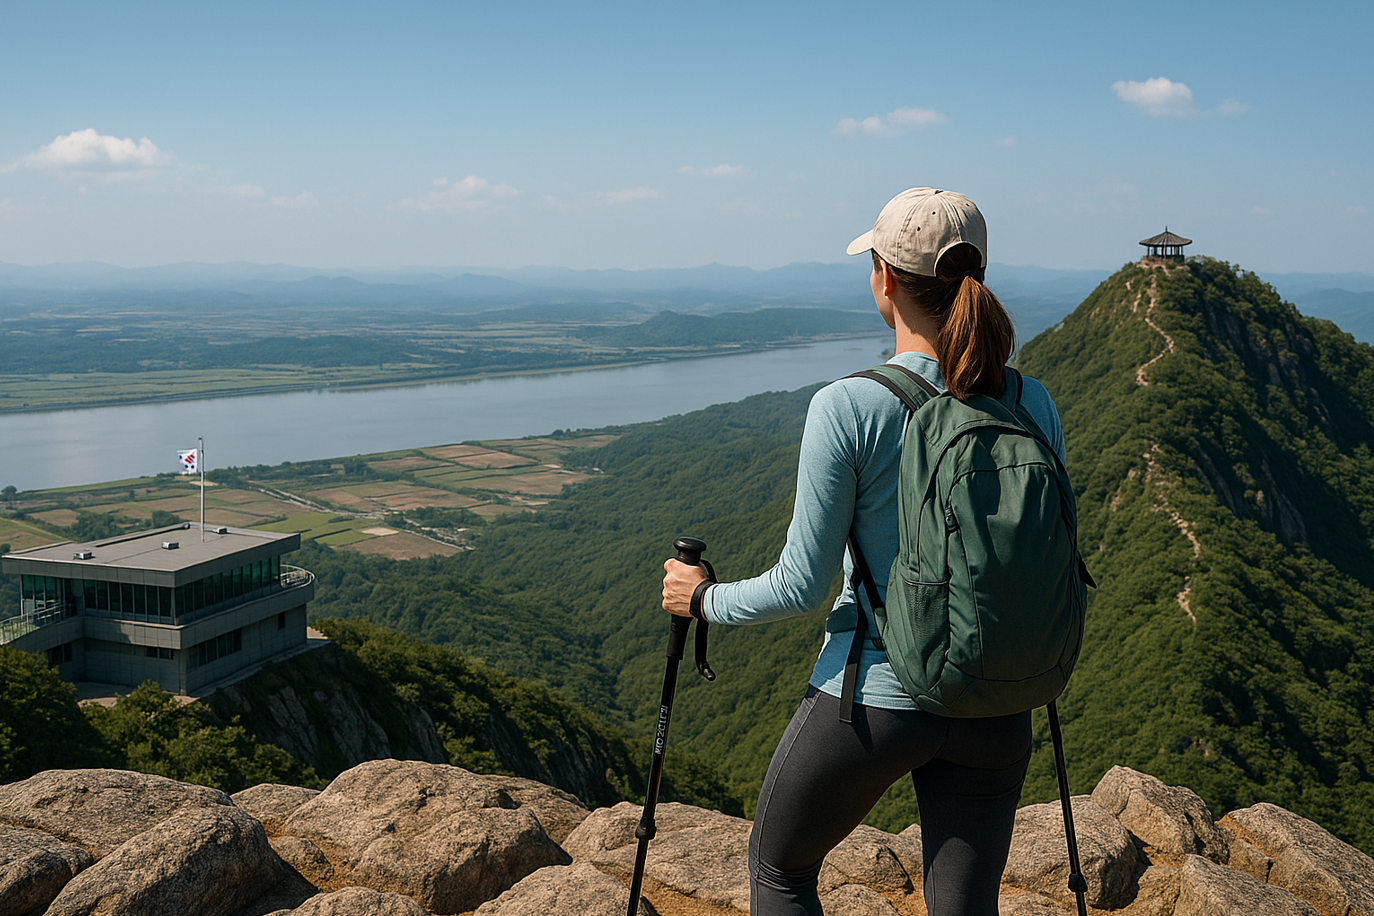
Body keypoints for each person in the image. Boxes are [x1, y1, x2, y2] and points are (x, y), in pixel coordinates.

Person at [661, 188, 1068, 916]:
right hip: (999, 702)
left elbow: (799, 586)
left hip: (877, 704)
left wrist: (700, 599)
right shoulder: (1032, 402)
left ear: (883, 278)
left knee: (779, 870)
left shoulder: (851, 405)